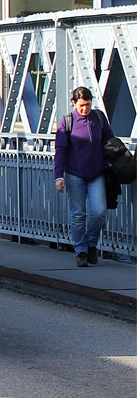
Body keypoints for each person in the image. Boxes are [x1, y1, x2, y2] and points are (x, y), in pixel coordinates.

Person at [54, 86, 113, 267]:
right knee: (78, 214)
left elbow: (110, 141)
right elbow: (60, 150)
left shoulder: (98, 118)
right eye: (81, 105)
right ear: (74, 103)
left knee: (99, 212)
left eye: (87, 105)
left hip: (96, 173)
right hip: (74, 174)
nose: (85, 109)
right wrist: (59, 176)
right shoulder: (67, 122)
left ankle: (91, 244)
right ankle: (81, 251)